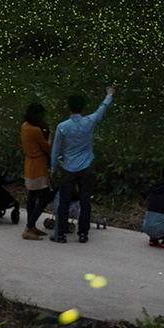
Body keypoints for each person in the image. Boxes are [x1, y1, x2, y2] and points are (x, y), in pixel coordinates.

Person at [49, 84, 115, 243]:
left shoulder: (62, 127)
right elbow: (101, 110)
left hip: (68, 167)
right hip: (86, 166)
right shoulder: (89, 121)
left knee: (64, 201)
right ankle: (83, 233)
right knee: (85, 200)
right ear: (83, 107)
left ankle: (60, 234)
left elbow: (56, 150)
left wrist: (52, 168)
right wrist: (109, 95)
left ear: (69, 107)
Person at [20, 102, 54, 240]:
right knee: (45, 196)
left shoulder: (24, 126)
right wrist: (50, 135)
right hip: (38, 165)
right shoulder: (36, 130)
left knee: (32, 195)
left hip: (29, 164)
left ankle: (31, 226)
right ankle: (29, 226)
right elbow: (47, 147)